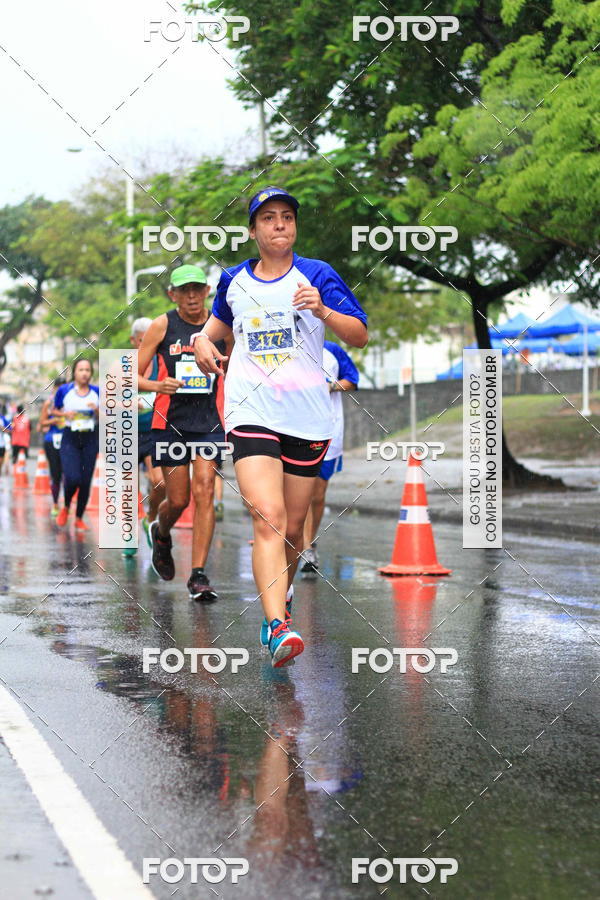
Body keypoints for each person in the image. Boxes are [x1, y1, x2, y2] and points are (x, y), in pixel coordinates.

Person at [192, 186, 367, 667]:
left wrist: (323, 310)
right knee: (266, 515)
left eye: (287, 217)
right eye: (268, 218)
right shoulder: (233, 281)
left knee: (292, 527)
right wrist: (202, 345)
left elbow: (360, 335)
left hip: (307, 413)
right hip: (252, 410)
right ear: (253, 230)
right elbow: (211, 333)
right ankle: (276, 626)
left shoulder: (318, 275)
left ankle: (280, 596)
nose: (279, 225)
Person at [137, 264, 231, 600]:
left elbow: (236, 365)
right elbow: (130, 375)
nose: (191, 296)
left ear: (207, 291)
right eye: (183, 290)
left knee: (205, 489)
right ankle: (161, 534)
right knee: (178, 500)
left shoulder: (220, 324)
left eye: (196, 289)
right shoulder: (162, 325)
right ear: (172, 294)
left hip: (208, 421)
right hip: (171, 423)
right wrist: (157, 384)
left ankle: (198, 576)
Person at [301, 341, 359, 574]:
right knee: (300, 490)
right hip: (295, 428)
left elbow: (352, 380)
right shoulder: (287, 347)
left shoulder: (332, 350)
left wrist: (330, 387)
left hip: (329, 430)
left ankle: (309, 542)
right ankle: (304, 548)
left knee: (317, 493)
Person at [123, 318, 167, 557]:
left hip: (155, 430)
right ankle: (128, 533)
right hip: (127, 431)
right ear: (133, 341)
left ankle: (150, 520)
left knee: (159, 482)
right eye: (142, 340)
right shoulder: (121, 365)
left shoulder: (163, 363)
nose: (148, 344)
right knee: (129, 487)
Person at [54, 359, 99, 529]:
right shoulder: (65, 390)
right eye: (81, 369)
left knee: (86, 480)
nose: (84, 373)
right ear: (75, 372)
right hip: (70, 438)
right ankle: (66, 506)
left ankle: (79, 517)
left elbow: (105, 416)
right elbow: (54, 410)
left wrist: (96, 410)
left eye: (88, 370)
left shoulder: (97, 392)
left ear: (91, 373)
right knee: (73, 477)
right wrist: (66, 414)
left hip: (90, 438)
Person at [39, 377, 66, 516]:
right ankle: (55, 504)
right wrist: (54, 420)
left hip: (69, 440)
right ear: (55, 388)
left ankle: (66, 505)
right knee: (56, 474)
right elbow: (41, 423)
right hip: (52, 441)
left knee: (69, 474)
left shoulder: (70, 403)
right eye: (59, 389)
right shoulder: (49, 403)